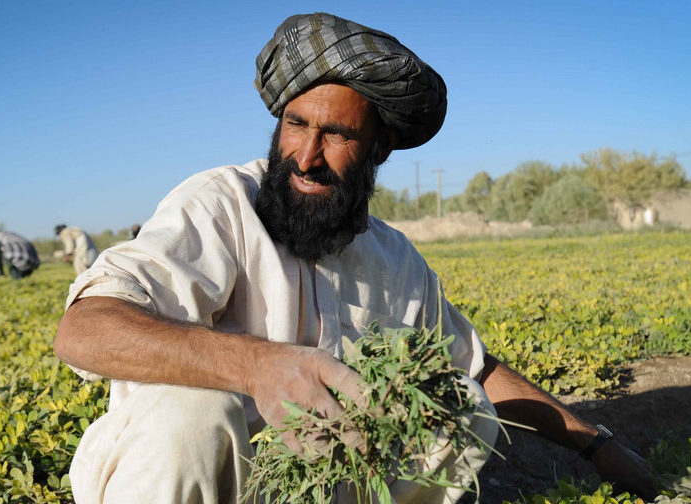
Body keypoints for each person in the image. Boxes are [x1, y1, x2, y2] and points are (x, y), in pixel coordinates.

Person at [54, 12, 658, 504]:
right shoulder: (219, 205)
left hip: (317, 484)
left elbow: (473, 367)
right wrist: (257, 367)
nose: (307, 155)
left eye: (338, 135)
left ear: (378, 150)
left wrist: (595, 444)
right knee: (192, 411)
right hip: (203, 480)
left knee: (460, 405)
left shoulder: (392, 257)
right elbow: (84, 329)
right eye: (296, 124)